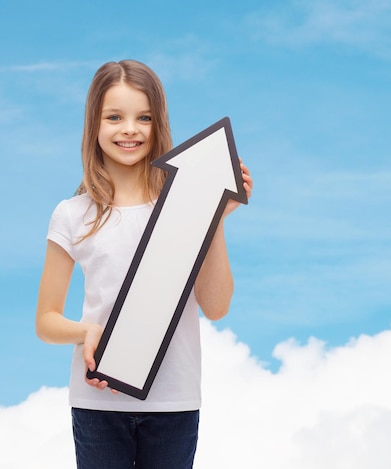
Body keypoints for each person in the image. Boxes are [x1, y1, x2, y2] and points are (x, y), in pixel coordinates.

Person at [35, 59, 253, 468]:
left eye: (143, 117)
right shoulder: (71, 214)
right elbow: (46, 320)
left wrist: (215, 217)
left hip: (174, 401)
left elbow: (216, 307)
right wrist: (88, 332)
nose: (129, 129)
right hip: (98, 404)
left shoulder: (184, 205)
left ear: (158, 124)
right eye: (114, 117)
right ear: (94, 125)